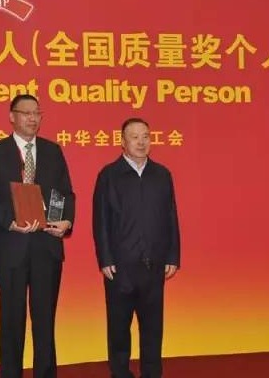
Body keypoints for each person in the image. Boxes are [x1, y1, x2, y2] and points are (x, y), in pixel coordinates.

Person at [0, 94, 75, 378]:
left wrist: (65, 220)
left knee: (45, 320)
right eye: (26, 113)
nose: (33, 118)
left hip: (46, 245)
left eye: (37, 113)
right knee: (12, 320)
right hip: (11, 246)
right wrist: (9, 222)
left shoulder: (52, 151)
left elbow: (64, 192)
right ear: (12, 117)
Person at [92, 117, 181, 378]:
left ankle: (151, 373)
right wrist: (105, 258)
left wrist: (173, 255)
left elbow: (171, 217)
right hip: (120, 267)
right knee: (119, 328)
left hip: (154, 264)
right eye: (135, 137)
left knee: (153, 328)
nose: (141, 142)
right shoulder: (109, 175)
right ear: (122, 142)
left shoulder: (162, 174)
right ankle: (120, 372)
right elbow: (101, 220)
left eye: (146, 137)